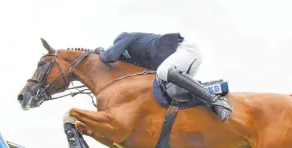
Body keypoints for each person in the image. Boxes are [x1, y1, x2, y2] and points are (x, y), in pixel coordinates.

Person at [95, 32, 232, 121]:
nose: (125, 57)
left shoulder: (126, 38)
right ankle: (212, 90)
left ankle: (216, 101)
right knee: (173, 92)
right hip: (182, 62)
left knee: (163, 71)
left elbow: (110, 56)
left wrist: (100, 52)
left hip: (185, 50)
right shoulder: (139, 59)